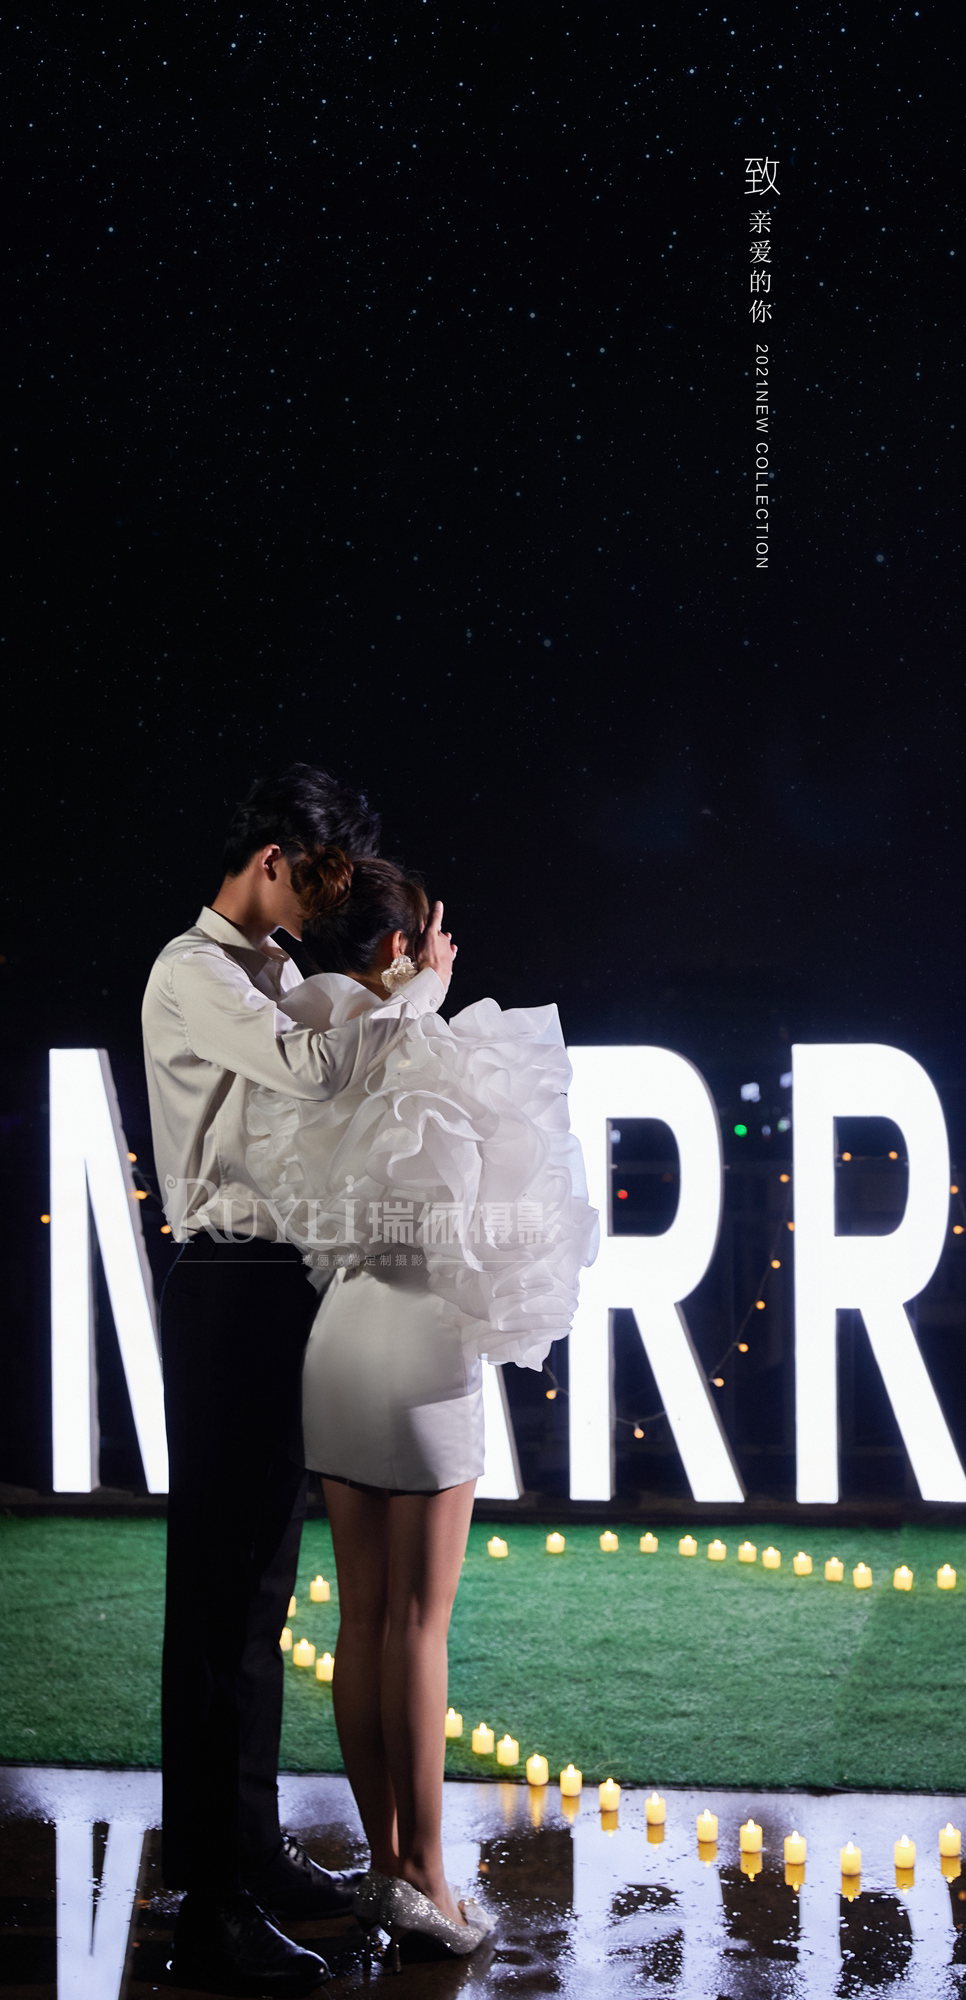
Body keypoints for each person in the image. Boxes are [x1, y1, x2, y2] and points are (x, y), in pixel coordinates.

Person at [243, 856, 596, 1956]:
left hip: (340, 1336)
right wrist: (428, 990)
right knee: (417, 1626)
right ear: (402, 944)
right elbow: (498, 1215)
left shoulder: (307, 1035)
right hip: (424, 1343)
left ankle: (385, 1864)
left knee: (361, 1620)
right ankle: (430, 1880)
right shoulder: (432, 1042)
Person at [142, 767, 455, 1996]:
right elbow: (315, 1068)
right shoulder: (194, 971)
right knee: (214, 1601)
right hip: (227, 1282)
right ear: (270, 857)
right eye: (317, 874)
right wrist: (415, 990)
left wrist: (393, 993)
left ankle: (253, 1851)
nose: (326, 902)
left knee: (262, 1592)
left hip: (288, 1287)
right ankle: (206, 1904)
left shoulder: (274, 969)